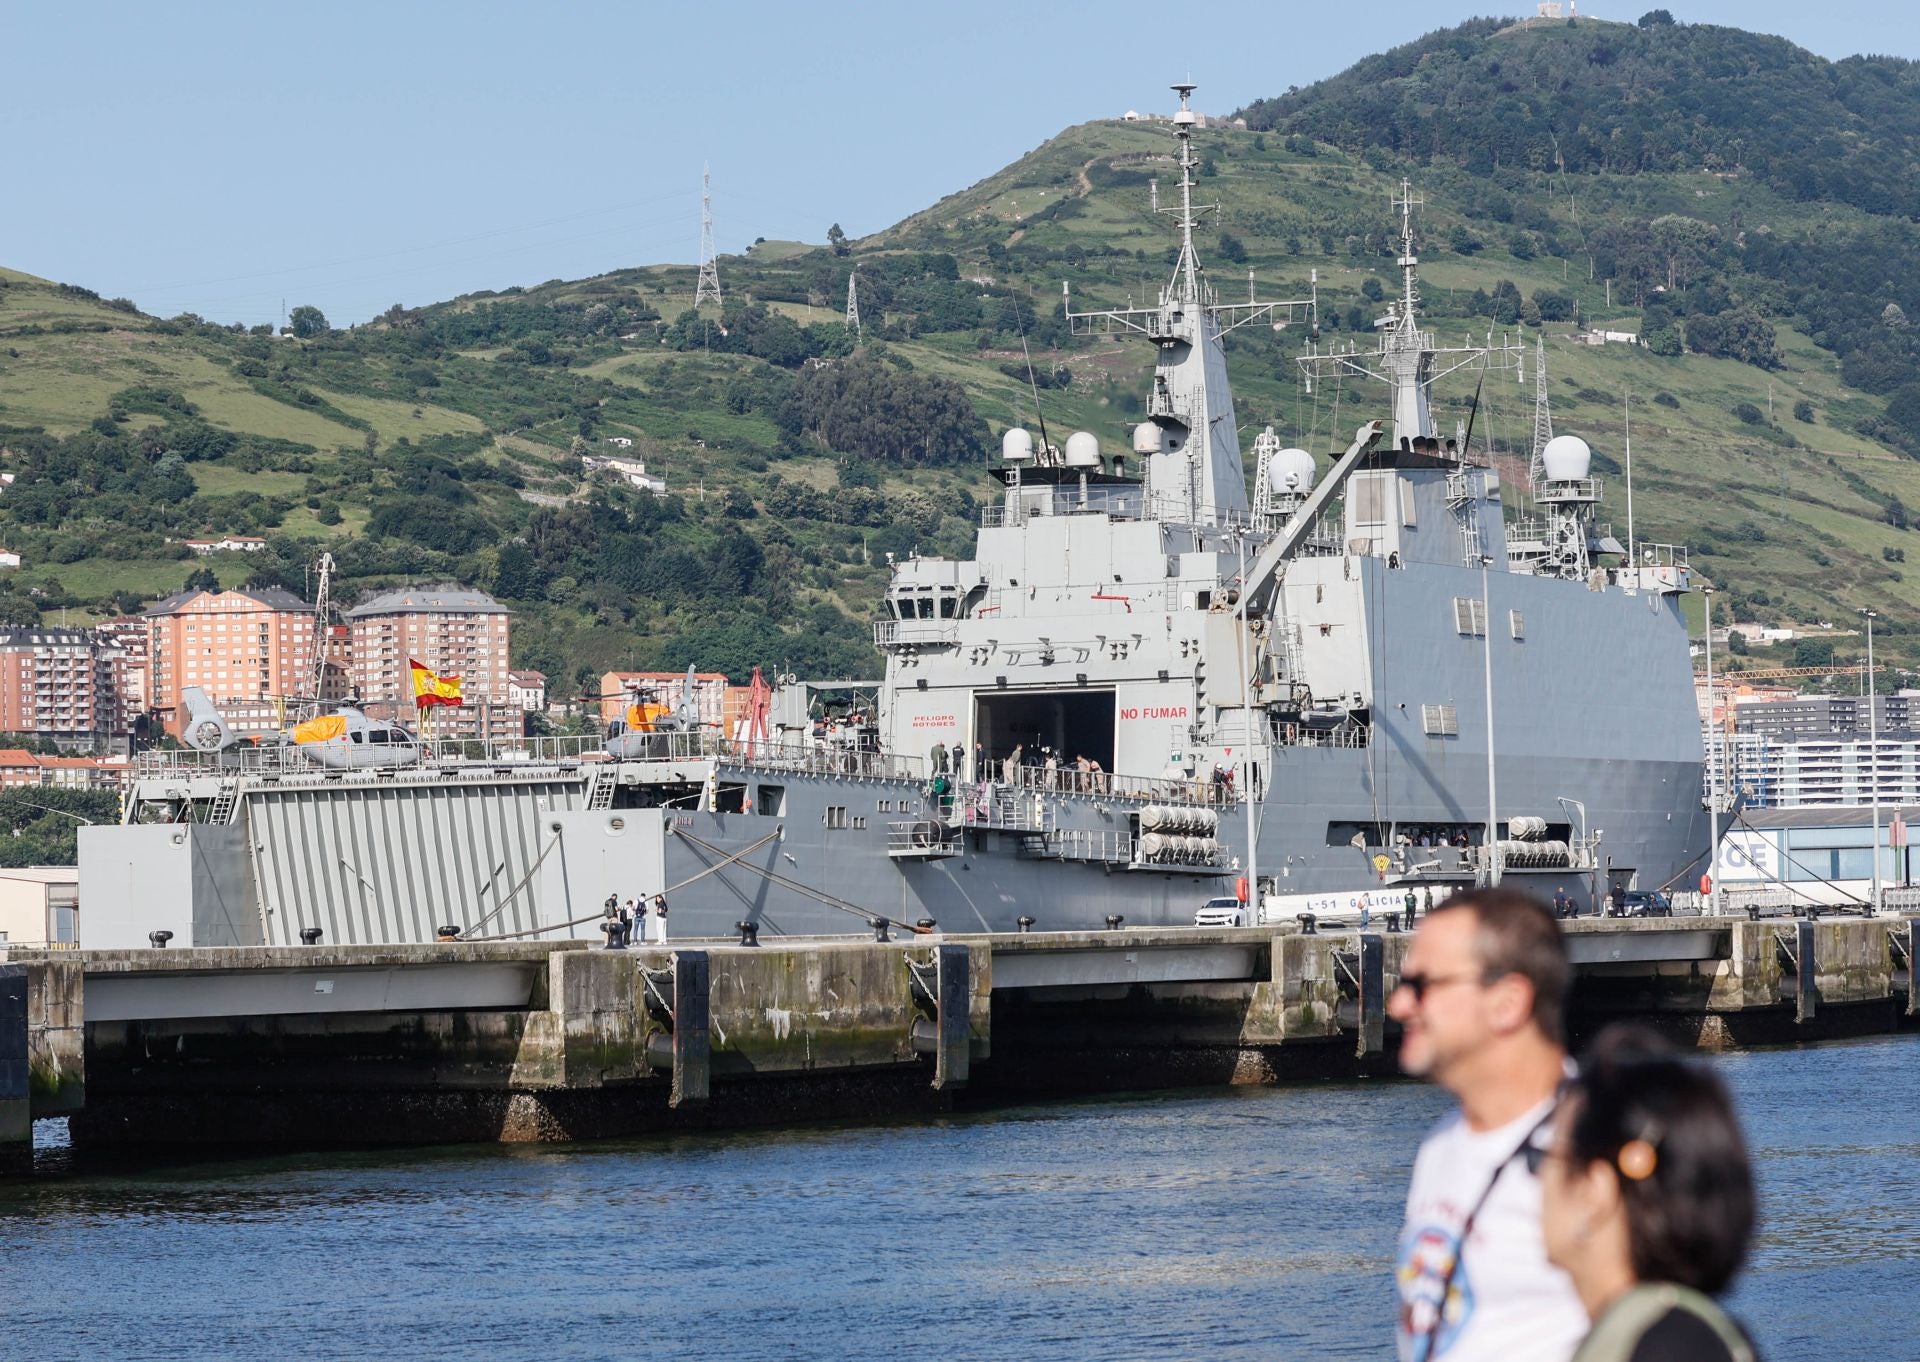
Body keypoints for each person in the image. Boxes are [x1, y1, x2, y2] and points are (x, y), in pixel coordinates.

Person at [1389, 887, 1586, 1362]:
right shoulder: (1440, 1146)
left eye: (1422, 985)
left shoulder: (1591, 1147)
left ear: (1507, 1002)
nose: (1398, 1005)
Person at [1541, 1028, 1758, 1362]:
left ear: (1594, 1190)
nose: (1536, 1178)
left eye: (1542, 1157)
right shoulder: (1675, 1335)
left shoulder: (1664, 1350)